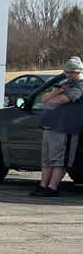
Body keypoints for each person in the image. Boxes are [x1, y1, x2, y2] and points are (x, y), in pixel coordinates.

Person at [33, 56, 83, 196]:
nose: (66, 75)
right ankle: (43, 186)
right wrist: (53, 95)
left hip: (65, 128)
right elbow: (44, 99)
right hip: (50, 127)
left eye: (69, 72)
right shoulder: (65, 83)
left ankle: (52, 188)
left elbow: (62, 100)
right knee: (47, 159)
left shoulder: (79, 86)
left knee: (59, 160)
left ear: (76, 71)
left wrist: (54, 94)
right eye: (66, 72)